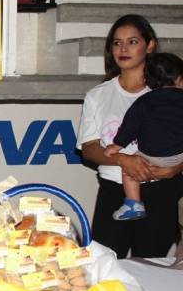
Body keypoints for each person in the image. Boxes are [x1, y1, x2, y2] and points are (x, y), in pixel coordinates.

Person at [77, 14, 183, 258]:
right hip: (113, 193)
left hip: (161, 191)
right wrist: (123, 160)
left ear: (150, 45)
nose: (123, 49)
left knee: (151, 269)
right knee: (104, 266)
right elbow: (89, 149)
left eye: (132, 42)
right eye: (117, 43)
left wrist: (175, 168)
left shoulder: (170, 92)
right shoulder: (98, 95)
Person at [104, 53, 183, 220]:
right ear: (179, 79)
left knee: (129, 170)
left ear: (147, 81)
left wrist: (117, 145)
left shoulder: (144, 101)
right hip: (180, 155)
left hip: (152, 156)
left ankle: (134, 203)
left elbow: (130, 127)